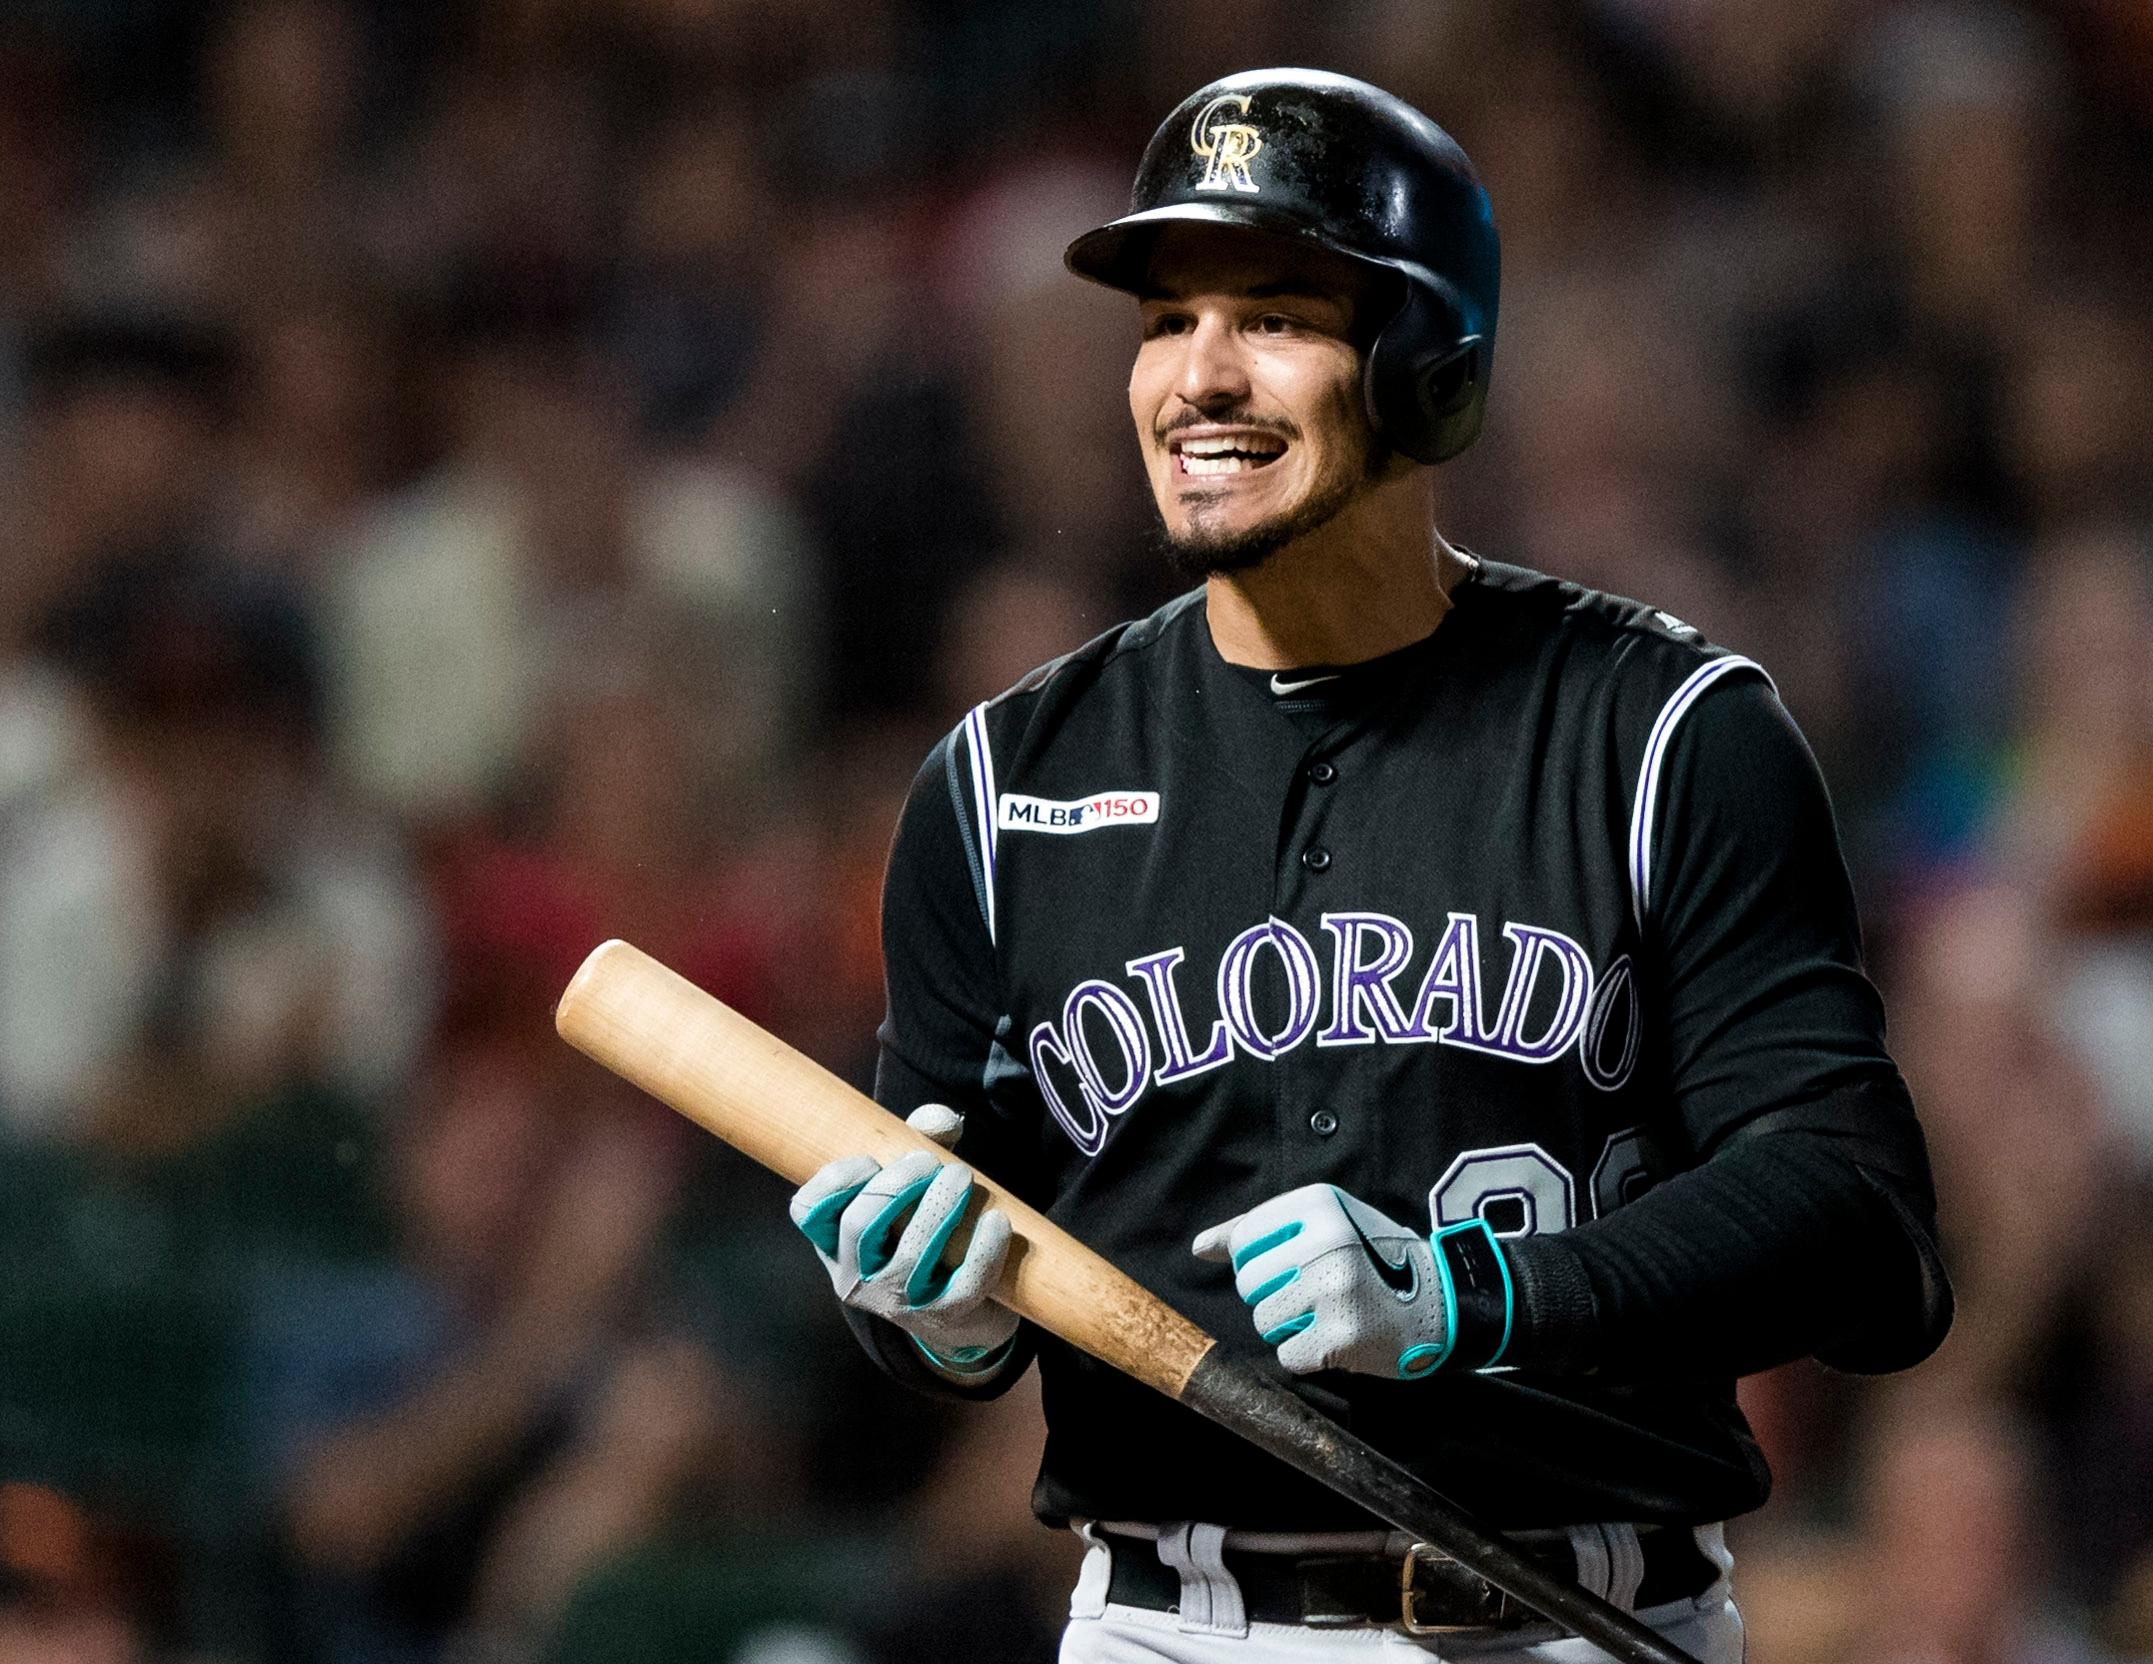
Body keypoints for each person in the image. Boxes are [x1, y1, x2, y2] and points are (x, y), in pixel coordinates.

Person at [787, 69, 1951, 1661]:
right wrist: (931, 1313)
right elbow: (959, 1301)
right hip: (1163, 1624)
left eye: (1271, 315)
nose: (1195, 379)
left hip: (1573, 1617)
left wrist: (1476, 1297)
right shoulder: (1002, 786)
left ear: (1429, 370)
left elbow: (1860, 1229)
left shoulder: (1667, 736)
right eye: (1163, 321)